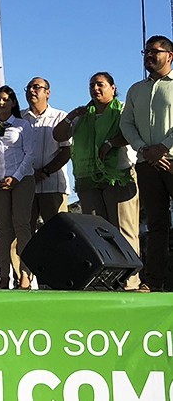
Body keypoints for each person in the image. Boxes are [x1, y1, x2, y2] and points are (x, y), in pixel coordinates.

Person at [53, 72, 142, 291]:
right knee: (97, 231)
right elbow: (58, 135)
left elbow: (133, 132)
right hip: (88, 178)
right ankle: (106, 279)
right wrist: (71, 115)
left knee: (123, 229)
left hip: (118, 176)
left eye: (100, 84)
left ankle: (130, 282)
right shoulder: (83, 114)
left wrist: (111, 143)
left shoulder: (122, 110)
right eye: (92, 85)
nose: (95, 89)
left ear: (113, 88)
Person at [120, 35, 173, 292]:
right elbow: (126, 124)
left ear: (169, 56)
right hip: (147, 164)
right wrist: (144, 149)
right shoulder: (135, 90)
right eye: (146, 51)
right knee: (156, 225)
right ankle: (152, 281)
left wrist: (164, 147)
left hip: (171, 160)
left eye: (155, 51)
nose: (149, 55)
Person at [0, 86, 36, 289]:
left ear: (13, 102)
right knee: (3, 229)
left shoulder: (22, 125)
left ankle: (25, 274)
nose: (1, 103)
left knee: (22, 225)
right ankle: (3, 275)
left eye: (5, 99)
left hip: (21, 180)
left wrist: (16, 177)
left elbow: (30, 154)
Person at [21, 77, 71, 232]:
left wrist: (44, 172)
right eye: (28, 87)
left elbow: (66, 151)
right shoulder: (18, 118)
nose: (31, 91)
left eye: (36, 87)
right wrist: (29, 173)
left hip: (53, 186)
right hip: (24, 185)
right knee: (23, 232)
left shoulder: (61, 117)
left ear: (47, 92)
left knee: (58, 232)